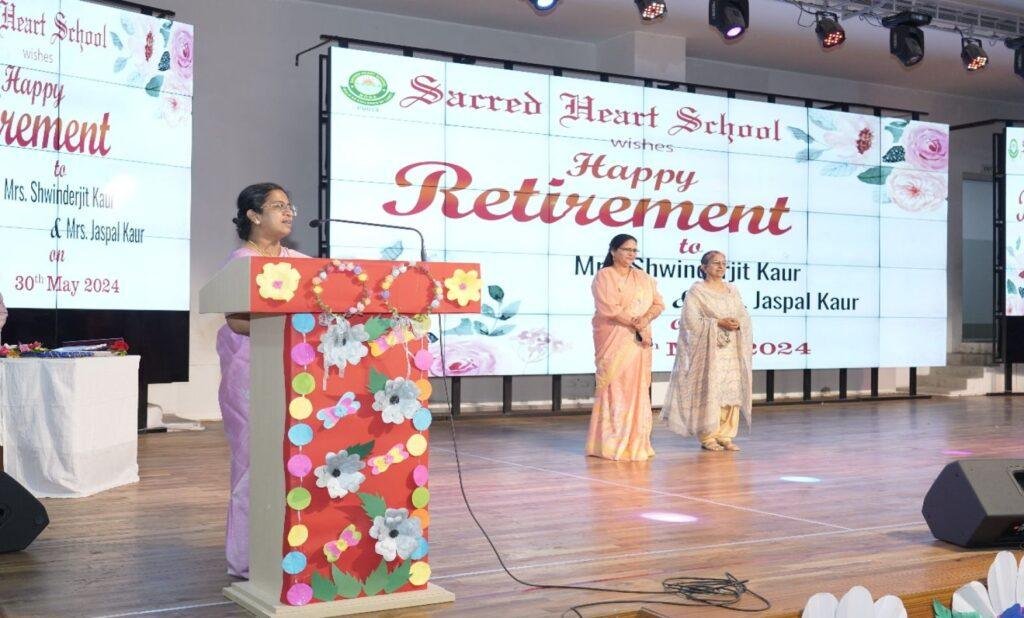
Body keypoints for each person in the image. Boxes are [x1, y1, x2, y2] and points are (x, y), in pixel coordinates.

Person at [217, 183, 308, 578]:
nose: (288, 213)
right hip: (249, 375)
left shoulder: (301, 263)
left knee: (295, 461)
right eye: (277, 206)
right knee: (253, 465)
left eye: (289, 206)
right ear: (253, 215)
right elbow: (236, 320)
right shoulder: (241, 262)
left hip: (297, 375)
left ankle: (290, 548)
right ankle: (246, 558)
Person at [661, 250, 752, 452]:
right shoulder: (697, 291)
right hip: (711, 351)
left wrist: (738, 322)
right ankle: (708, 436)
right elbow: (690, 321)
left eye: (724, 263)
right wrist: (718, 322)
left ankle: (725, 435)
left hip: (731, 348)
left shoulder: (732, 290)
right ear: (704, 267)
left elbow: (743, 314)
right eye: (716, 263)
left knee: (731, 391)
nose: (721, 267)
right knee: (712, 390)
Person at [586, 234, 665, 461]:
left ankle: (635, 442)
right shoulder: (604, 276)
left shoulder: (643, 277)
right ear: (613, 251)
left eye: (634, 250)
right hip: (614, 337)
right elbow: (608, 308)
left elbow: (658, 303)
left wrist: (645, 319)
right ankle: (610, 443)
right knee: (615, 386)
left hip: (638, 339)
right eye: (627, 249)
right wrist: (634, 322)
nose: (631, 254)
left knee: (636, 387)